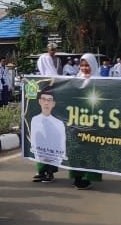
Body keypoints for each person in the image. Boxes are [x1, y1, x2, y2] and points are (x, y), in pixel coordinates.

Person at [67, 53, 103, 190]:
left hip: (93, 122)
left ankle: (88, 177)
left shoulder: (101, 81)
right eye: (82, 65)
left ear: (93, 65)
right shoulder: (75, 80)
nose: (84, 68)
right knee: (76, 149)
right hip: (76, 122)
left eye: (87, 65)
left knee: (90, 150)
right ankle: (77, 176)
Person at [30, 88, 67, 171]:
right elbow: (34, 141)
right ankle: (41, 171)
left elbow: (61, 144)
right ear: (39, 101)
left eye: (49, 100)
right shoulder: (34, 120)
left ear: (53, 103)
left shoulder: (59, 123)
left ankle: (50, 172)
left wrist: (58, 159)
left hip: (54, 156)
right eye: (44, 99)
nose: (46, 103)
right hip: (40, 154)